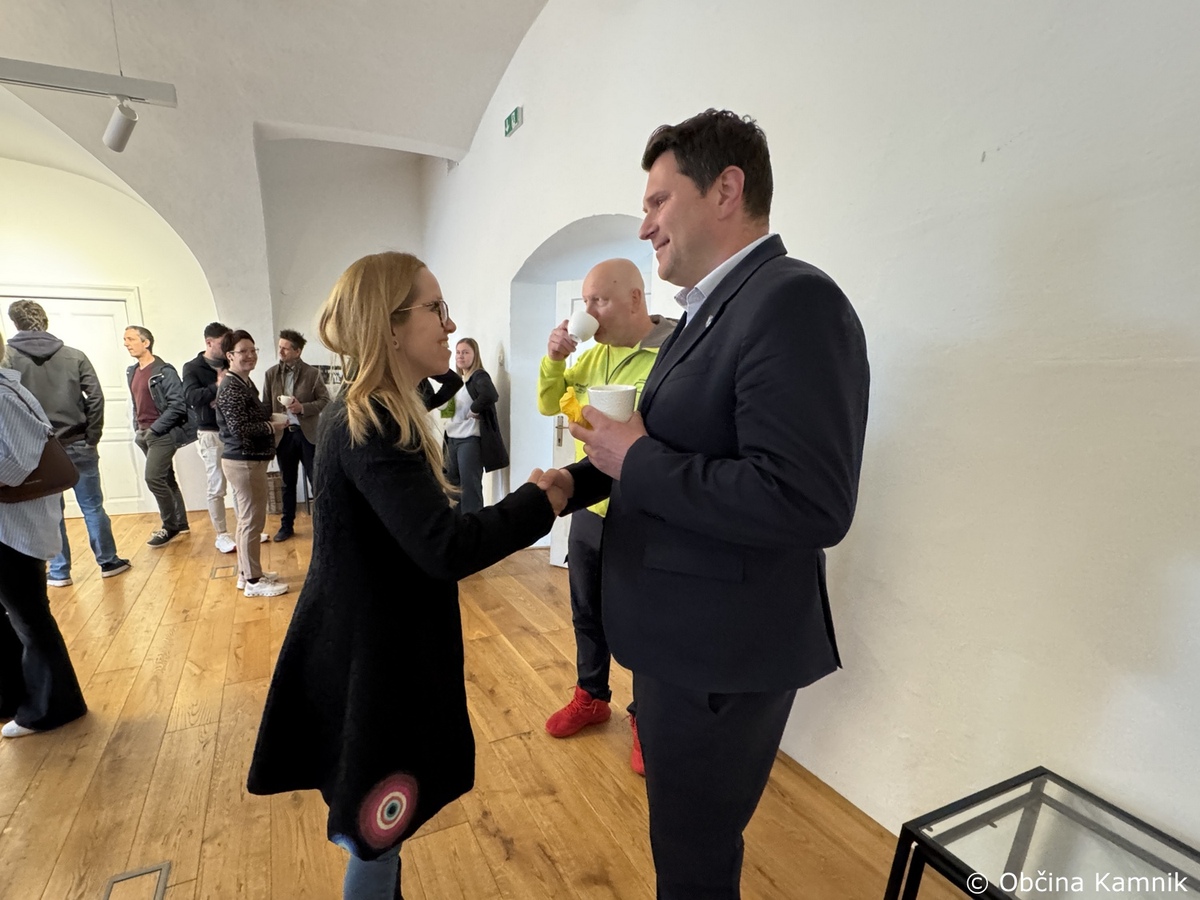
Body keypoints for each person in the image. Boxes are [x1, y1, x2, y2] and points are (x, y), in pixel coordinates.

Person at [540, 109, 870, 899]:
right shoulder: (707, 313)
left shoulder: (793, 301)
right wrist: (579, 480)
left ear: (726, 189)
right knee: (683, 846)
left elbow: (808, 500)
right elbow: (666, 446)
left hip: (721, 651)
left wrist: (635, 459)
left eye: (658, 201)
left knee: (692, 860)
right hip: (682, 641)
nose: (645, 225)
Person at [247, 251, 567, 900]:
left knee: (376, 828)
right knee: (374, 832)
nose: (451, 324)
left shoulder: (374, 407)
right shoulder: (376, 421)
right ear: (389, 326)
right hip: (373, 654)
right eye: (436, 308)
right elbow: (445, 547)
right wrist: (541, 502)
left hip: (365, 639)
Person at [535, 258, 676, 774]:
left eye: (601, 300)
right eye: (587, 301)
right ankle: (591, 696)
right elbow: (550, 403)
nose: (590, 311)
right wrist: (553, 360)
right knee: (585, 608)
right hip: (590, 507)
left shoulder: (672, 353)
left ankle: (645, 717)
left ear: (636, 299)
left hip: (643, 509)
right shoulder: (591, 356)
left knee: (642, 617)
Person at [0, 329, 88, 739]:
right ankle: (17, 696)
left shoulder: (4, 395)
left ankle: (54, 706)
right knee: (16, 617)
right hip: (11, 523)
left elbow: (18, 465)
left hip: (13, 527)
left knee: (29, 617)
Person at [4, 300, 130, 586]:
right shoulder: (74, 355)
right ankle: (109, 561)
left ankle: (60, 571)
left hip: (40, 451)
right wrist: (92, 436)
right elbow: (95, 398)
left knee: (52, 513)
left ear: (15, 323)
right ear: (45, 321)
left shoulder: (8, 360)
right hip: (77, 443)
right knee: (93, 506)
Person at [215, 330, 288, 598]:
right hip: (243, 461)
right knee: (251, 521)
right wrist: (271, 426)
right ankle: (254, 582)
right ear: (230, 356)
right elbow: (239, 428)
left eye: (253, 350)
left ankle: (246, 574)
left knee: (249, 520)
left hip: (248, 460)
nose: (250, 355)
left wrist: (271, 417)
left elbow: (249, 417)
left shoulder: (244, 383)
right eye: (243, 351)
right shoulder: (231, 387)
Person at [124, 325, 197, 546]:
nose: (126, 344)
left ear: (146, 343)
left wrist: (155, 429)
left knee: (153, 478)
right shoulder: (132, 371)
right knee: (166, 478)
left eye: (131, 339)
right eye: (125, 339)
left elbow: (178, 406)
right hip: (144, 433)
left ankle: (169, 526)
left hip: (162, 433)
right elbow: (137, 403)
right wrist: (138, 428)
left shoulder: (164, 371)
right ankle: (181, 523)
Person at [261, 329, 330, 542]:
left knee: (316, 482)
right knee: (286, 484)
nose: (280, 351)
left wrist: (303, 408)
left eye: (285, 348)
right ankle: (286, 526)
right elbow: (265, 405)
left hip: (308, 435)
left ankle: (323, 528)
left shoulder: (312, 373)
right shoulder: (271, 374)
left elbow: (325, 401)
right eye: (279, 347)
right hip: (284, 436)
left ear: (297, 351)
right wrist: (269, 427)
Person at [182, 322, 239, 553]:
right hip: (210, 432)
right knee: (217, 485)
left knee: (239, 484)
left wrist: (221, 395)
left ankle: (244, 528)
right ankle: (221, 535)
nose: (227, 347)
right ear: (209, 342)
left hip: (233, 430)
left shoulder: (229, 363)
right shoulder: (192, 367)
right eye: (223, 343)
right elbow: (191, 397)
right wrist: (216, 387)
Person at [440, 337, 507, 515]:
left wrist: (473, 409)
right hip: (451, 439)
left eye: (465, 352)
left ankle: (473, 527)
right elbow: (447, 411)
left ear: (475, 355)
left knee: (470, 488)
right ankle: (455, 526)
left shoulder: (478, 376)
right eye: (458, 352)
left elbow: (490, 394)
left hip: (469, 440)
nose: (460, 356)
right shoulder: (457, 381)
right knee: (451, 487)